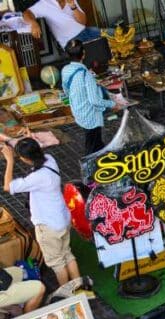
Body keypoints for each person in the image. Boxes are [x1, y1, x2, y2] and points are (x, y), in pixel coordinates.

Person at [3, 138, 79, 285]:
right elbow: (31, 148)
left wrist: (10, 161)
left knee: (57, 263)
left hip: (48, 226)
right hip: (62, 218)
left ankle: (67, 296)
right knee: (67, 255)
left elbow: (8, 186)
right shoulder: (50, 160)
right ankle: (81, 288)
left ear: (25, 159)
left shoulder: (37, 177)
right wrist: (13, 140)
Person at [61, 40, 116, 154]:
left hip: (77, 111)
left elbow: (66, 91)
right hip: (90, 115)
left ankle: (101, 156)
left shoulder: (65, 70)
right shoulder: (86, 75)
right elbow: (95, 100)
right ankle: (91, 165)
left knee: (94, 140)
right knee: (93, 145)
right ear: (84, 54)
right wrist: (113, 104)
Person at [23, 0, 100, 50]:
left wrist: (73, 6)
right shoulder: (43, 4)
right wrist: (33, 23)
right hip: (72, 42)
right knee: (97, 50)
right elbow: (26, 13)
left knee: (111, 33)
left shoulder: (71, 1)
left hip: (87, 31)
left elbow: (83, 22)